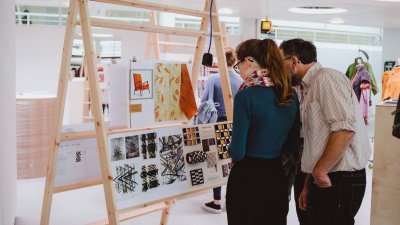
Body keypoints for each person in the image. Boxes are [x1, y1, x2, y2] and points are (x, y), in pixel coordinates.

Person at [279, 38, 372, 225]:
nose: (279, 70)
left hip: (340, 176)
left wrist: (320, 172)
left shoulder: (326, 78)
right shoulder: (306, 87)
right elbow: (314, 143)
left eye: (281, 63)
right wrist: (309, 181)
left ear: (294, 61)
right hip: (325, 173)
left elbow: (344, 130)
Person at [226, 38, 300, 225]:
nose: (240, 71)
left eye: (238, 66)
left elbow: (238, 152)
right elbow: (292, 144)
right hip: (276, 177)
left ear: (248, 62)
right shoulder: (290, 93)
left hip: (247, 180)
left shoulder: (246, 95)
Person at [201, 47, 243, 214]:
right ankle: (233, 199)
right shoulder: (240, 80)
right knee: (233, 161)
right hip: (236, 123)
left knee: (214, 161)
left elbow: (205, 103)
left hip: (216, 123)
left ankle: (216, 200)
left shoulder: (213, 79)